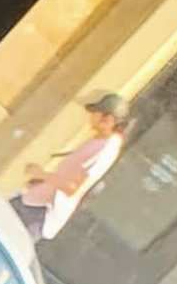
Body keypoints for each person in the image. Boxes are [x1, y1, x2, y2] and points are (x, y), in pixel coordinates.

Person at [12, 95, 129, 242]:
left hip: (42, 211)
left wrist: (42, 174)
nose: (91, 116)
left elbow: (73, 187)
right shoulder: (98, 141)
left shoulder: (107, 148)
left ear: (108, 119)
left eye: (96, 113)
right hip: (34, 199)